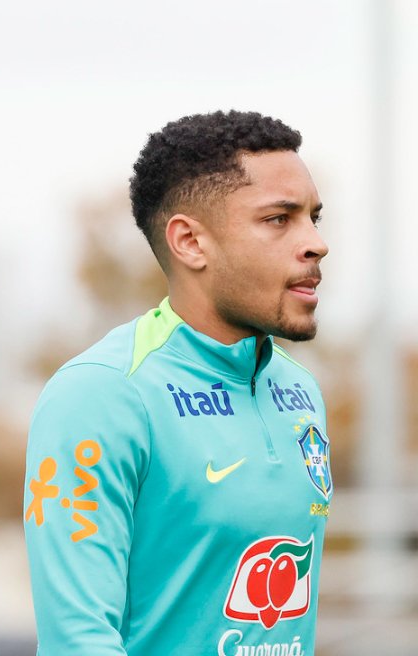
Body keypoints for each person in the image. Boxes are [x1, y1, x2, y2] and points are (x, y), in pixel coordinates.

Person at [23, 111, 332, 655]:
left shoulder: (301, 389)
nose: (315, 243)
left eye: (313, 217)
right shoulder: (101, 394)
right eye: (279, 219)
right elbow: (78, 642)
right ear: (190, 242)